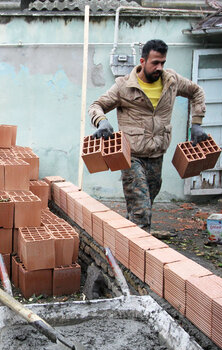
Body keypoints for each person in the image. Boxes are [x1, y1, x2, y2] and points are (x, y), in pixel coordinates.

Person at [88, 39, 208, 232]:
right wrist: (102, 121)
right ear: (142, 61)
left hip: (156, 156)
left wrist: (197, 123)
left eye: (163, 63)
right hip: (131, 157)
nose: (159, 67)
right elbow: (96, 105)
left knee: (142, 206)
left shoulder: (172, 81)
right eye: (155, 63)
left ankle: (127, 241)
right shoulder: (124, 86)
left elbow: (196, 92)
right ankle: (138, 257)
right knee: (142, 212)